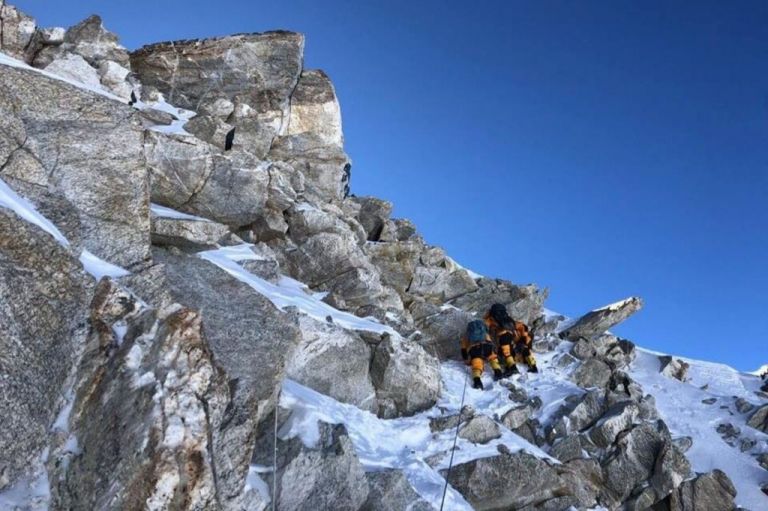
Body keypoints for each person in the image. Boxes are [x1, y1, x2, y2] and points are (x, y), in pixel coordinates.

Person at [484, 303, 539, 375]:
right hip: (514, 337)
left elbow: (484, 327)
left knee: (506, 351)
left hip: (502, 338)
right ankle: (533, 366)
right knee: (524, 348)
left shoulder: (491, 320)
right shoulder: (508, 319)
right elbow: (522, 326)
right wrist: (524, 339)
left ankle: (512, 367)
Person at [460, 319, 503, 390]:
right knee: (492, 357)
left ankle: (477, 381)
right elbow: (490, 342)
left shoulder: (466, 336)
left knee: (477, 364)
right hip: (486, 346)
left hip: (474, 349)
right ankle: (498, 372)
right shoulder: (483, 332)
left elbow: (463, 349)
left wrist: (466, 359)